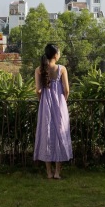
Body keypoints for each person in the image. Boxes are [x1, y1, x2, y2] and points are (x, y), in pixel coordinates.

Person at [34, 43, 72, 179]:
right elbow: (66, 90)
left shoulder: (39, 70)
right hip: (59, 105)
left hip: (45, 105)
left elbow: (38, 90)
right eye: (59, 52)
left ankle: (48, 173)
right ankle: (57, 172)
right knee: (60, 135)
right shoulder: (62, 69)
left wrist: (42, 100)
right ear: (55, 55)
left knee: (46, 135)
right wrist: (63, 101)